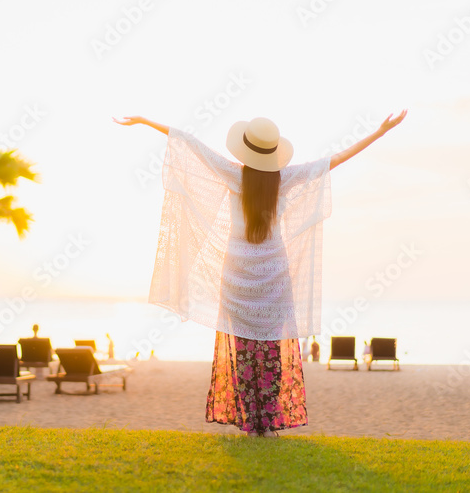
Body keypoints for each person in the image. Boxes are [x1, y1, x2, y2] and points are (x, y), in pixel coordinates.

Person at [115, 110, 406, 437]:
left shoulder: (233, 173)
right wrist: (380, 132)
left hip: (236, 277)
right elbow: (336, 159)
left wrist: (144, 120)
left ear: (246, 149)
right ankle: (267, 422)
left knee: (243, 353)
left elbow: (189, 142)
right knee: (271, 351)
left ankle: (250, 422)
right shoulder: (287, 178)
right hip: (274, 280)